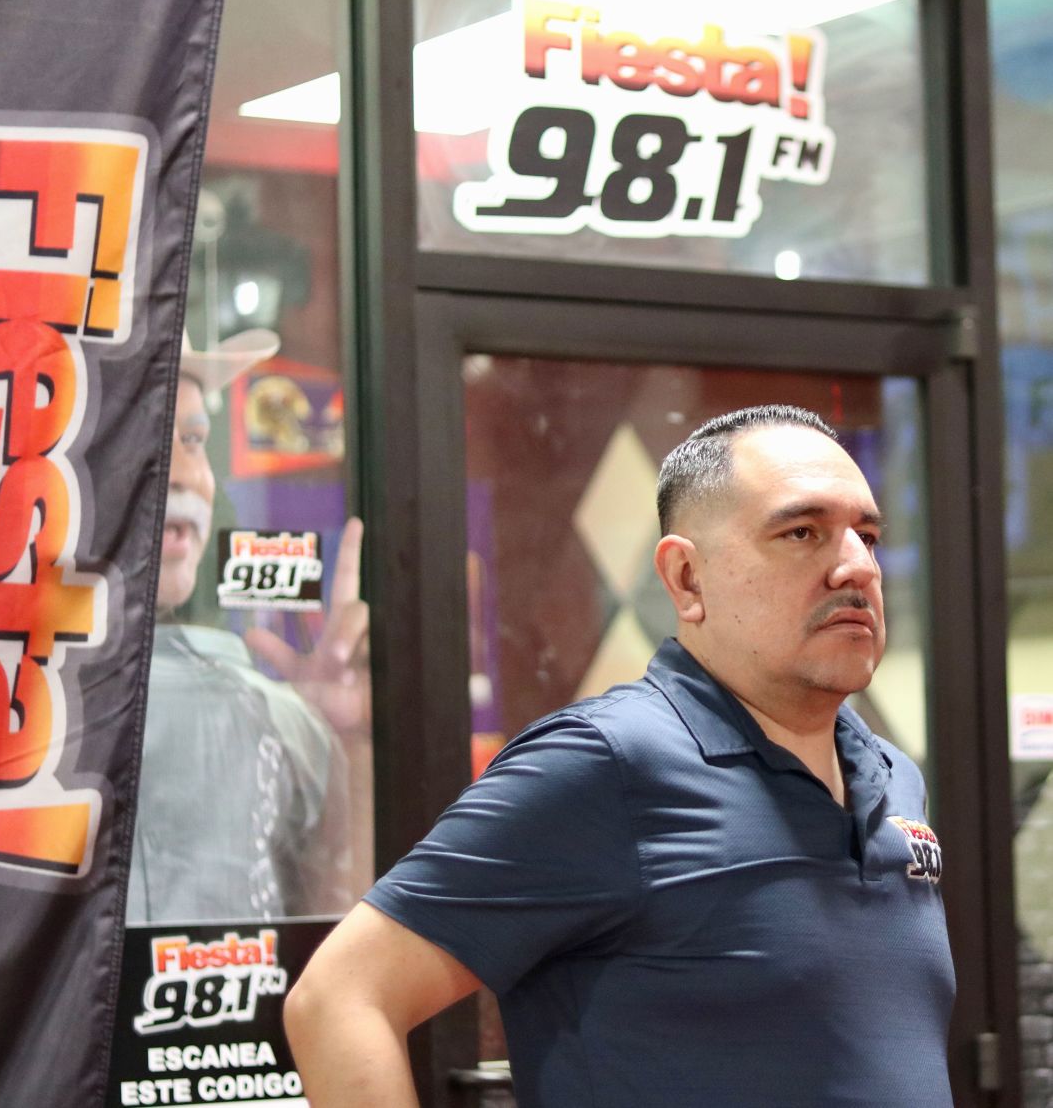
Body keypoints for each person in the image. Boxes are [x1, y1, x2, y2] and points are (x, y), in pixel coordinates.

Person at [282, 405, 955, 1107]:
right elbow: (338, 1000)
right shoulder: (605, 764)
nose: (855, 566)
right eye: (802, 532)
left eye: (867, 535)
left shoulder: (891, 776)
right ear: (687, 580)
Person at [126, 332, 371, 924]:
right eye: (140, 437)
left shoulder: (261, 714)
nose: (184, 474)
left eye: (191, 440)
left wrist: (331, 741)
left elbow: (342, 931)